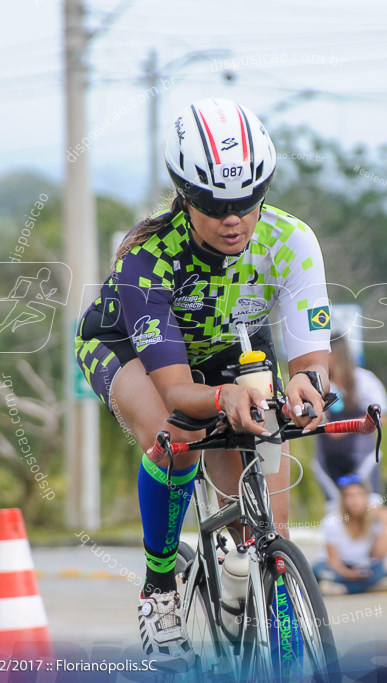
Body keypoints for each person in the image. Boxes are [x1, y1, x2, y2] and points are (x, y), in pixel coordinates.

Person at [76, 98, 331, 664]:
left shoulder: (292, 242)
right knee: (178, 438)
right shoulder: (147, 259)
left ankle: (260, 581)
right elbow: (177, 392)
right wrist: (224, 396)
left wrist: (306, 390)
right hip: (129, 348)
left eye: (247, 200)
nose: (233, 217)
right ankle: (160, 590)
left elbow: (311, 363)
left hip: (226, 347)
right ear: (185, 197)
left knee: (265, 487)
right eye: (215, 204)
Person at [312, 336, 387, 510]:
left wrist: (347, 428)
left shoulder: (364, 380)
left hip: (361, 457)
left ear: (338, 355)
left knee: (370, 508)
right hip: (327, 459)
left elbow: (383, 416)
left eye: (326, 354)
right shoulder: (321, 385)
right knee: (335, 510)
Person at [312, 474, 387, 595]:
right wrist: (350, 574)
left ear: (366, 497)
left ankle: (344, 589)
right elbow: (333, 561)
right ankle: (369, 586)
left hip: (362, 567)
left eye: (359, 494)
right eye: (350, 496)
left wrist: (385, 524)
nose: (355, 500)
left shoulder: (373, 519)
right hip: (339, 568)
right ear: (343, 500)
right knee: (318, 570)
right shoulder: (333, 521)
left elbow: (380, 554)